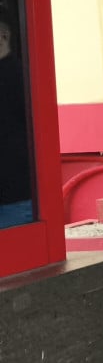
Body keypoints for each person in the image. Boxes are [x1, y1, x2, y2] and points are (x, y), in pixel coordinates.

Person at [0, 16, 31, 228]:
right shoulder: (24, 73)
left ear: (4, 37)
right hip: (20, 191)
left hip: (14, 193)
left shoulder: (18, 76)